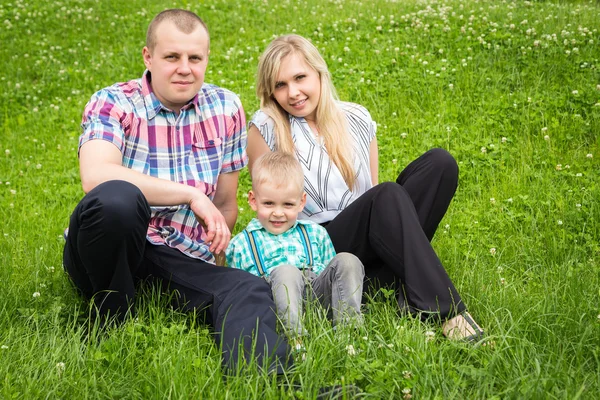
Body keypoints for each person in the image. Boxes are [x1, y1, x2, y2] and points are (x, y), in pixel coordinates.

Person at [62, 9, 291, 372]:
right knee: (118, 199)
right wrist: (189, 194)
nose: (184, 68)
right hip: (107, 245)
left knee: (246, 287)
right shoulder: (114, 102)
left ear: (206, 59)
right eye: (172, 57)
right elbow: (97, 175)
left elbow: (226, 204)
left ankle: (270, 383)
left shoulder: (225, 107)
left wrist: (218, 263)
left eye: (194, 58)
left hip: (177, 256)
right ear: (148, 57)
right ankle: (111, 316)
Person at [247, 34, 485, 342]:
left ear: (319, 72)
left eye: (300, 77)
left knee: (439, 164)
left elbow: (369, 188)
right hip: (319, 249)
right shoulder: (266, 127)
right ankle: (447, 311)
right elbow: (270, 207)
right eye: (280, 85)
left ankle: (393, 284)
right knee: (385, 196)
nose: (293, 93)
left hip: (369, 232)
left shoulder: (356, 117)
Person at [226, 151, 364, 340]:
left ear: (301, 202)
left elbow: (329, 275)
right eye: (268, 203)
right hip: (272, 303)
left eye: (288, 205)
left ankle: (349, 331)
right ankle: (293, 337)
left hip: (316, 297)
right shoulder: (241, 244)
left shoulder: (315, 233)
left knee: (348, 260)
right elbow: (240, 292)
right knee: (286, 272)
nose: (278, 213)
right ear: (253, 200)